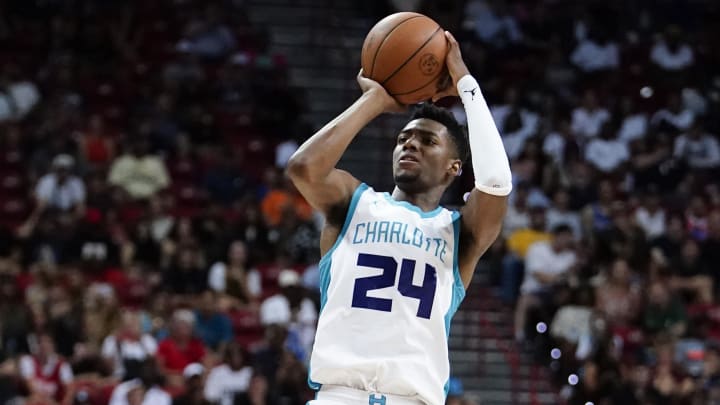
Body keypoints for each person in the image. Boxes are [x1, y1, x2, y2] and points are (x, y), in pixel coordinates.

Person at [286, 31, 511, 405]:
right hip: (340, 397)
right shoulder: (353, 204)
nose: (410, 144)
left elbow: (497, 182)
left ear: (454, 167)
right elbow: (303, 167)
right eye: (404, 137)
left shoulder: (461, 233)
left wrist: (465, 83)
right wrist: (373, 101)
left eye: (427, 141)